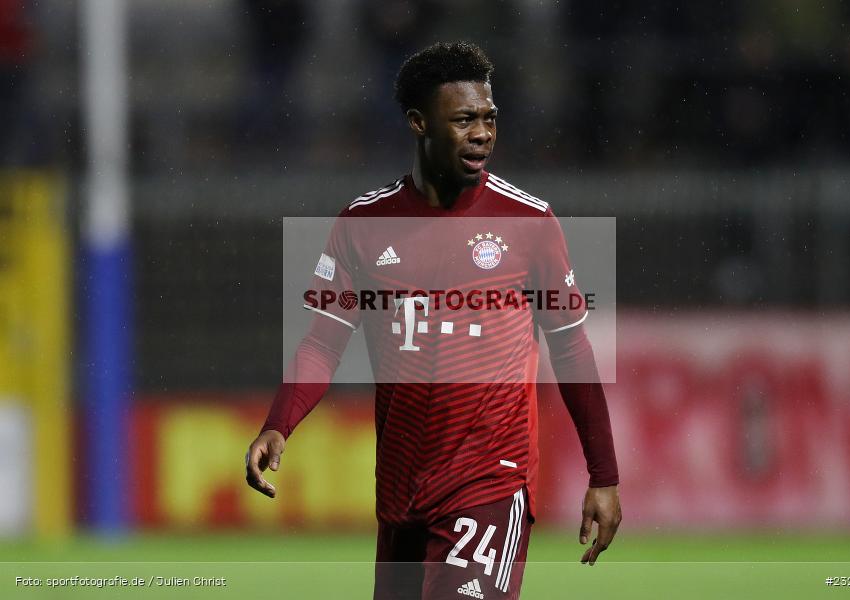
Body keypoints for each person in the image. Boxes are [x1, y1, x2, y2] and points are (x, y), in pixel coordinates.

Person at [245, 41, 621, 600]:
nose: (483, 133)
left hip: (490, 482)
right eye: (464, 119)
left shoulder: (528, 221)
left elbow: (572, 350)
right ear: (418, 123)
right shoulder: (363, 224)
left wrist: (604, 475)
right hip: (402, 492)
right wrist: (279, 423)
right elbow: (323, 342)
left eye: (489, 118)